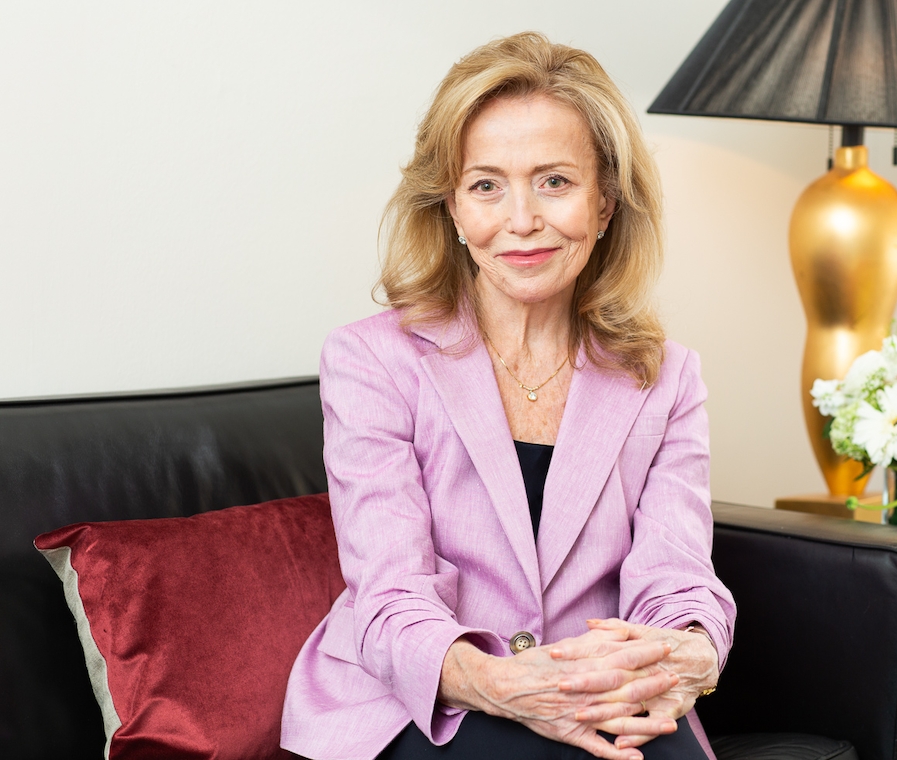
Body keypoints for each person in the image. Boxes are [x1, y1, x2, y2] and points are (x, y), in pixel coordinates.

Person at [281, 32, 736, 760]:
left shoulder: (666, 377)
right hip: (428, 695)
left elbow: (677, 576)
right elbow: (391, 594)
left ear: (607, 200)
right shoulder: (370, 359)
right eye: (487, 185)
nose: (521, 220)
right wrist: (505, 684)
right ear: (454, 210)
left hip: (605, 692)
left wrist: (690, 653)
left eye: (554, 181)